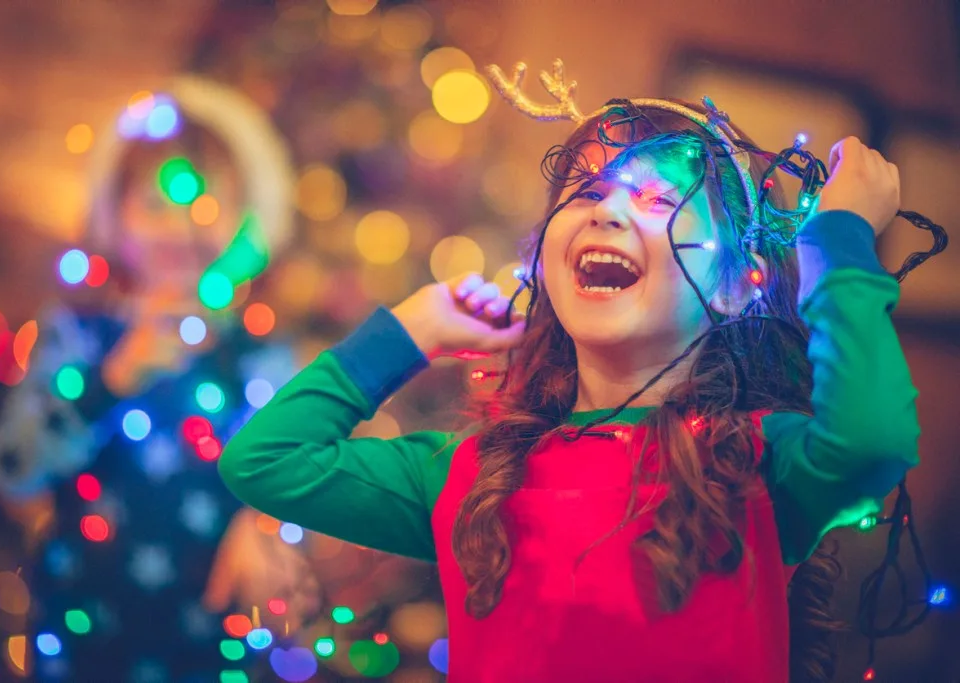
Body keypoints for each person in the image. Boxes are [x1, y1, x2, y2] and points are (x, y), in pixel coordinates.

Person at [218, 96, 919, 682]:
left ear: (737, 285)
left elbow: (872, 440)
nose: (606, 211)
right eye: (585, 191)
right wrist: (410, 330)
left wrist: (838, 236)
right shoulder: (469, 475)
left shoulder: (757, 463)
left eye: (655, 198)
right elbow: (265, 461)